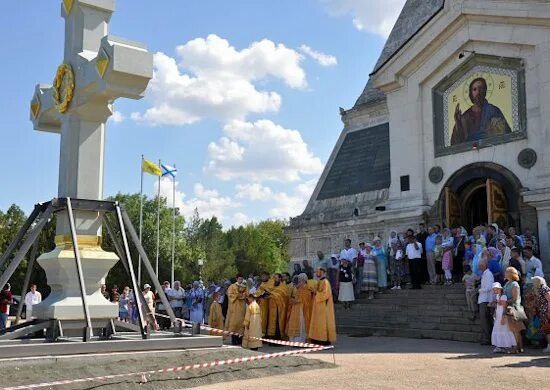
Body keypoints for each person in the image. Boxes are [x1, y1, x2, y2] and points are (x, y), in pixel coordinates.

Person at [451, 77, 511, 145]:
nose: (478, 92)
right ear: (471, 93)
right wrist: (458, 122)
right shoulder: (466, 116)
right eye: (474, 89)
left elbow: (505, 134)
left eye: (481, 88)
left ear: (485, 91)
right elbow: (456, 144)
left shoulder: (493, 110)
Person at [309, 267, 336, 345]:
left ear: (322, 272)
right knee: (317, 323)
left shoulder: (325, 282)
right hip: (317, 306)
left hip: (323, 307)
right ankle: (316, 339)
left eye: (318, 271)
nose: (316, 273)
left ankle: (323, 340)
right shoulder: (319, 281)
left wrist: (316, 292)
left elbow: (325, 294)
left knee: (322, 324)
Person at [503, 267, 527, 353]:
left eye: (506, 272)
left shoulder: (515, 284)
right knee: (515, 329)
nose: (505, 273)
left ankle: (516, 348)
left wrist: (505, 301)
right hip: (509, 308)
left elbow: (515, 298)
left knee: (516, 329)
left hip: (514, 309)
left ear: (510, 274)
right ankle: (520, 348)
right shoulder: (507, 284)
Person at [286, 273, 312, 343]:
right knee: (295, 323)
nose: (299, 281)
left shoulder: (306, 288)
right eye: (299, 280)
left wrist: (296, 301)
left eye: (300, 280)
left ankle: (300, 341)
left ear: (304, 280)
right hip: (296, 309)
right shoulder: (299, 288)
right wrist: (293, 300)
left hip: (302, 310)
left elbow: (306, 300)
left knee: (301, 325)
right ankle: (294, 341)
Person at [491, 282, 517, 353]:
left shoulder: (503, 296)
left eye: (496, 289)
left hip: (502, 316)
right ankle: (499, 346)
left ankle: (508, 347)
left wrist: (503, 317)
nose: (495, 291)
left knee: (505, 330)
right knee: (497, 330)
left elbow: (504, 308)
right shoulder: (497, 296)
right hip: (498, 316)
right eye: (494, 289)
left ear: (500, 289)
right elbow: (497, 307)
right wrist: (495, 314)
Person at [225, 275, 248, 345]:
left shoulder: (245, 287)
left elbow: (247, 295)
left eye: (241, 279)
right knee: (234, 323)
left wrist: (244, 295)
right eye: (239, 279)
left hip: (242, 308)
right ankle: (234, 339)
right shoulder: (232, 286)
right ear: (236, 279)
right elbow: (229, 295)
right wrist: (237, 295)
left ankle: (240, 339)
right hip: (234, 308)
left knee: (241, 323)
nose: (240, 280)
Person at [478, 259, 495, 345]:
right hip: (483, 299)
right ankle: (487, 338)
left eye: (480, 265)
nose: (479, 266)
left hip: (485, 300)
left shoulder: (488, 274)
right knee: (485, 320)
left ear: (484, 265)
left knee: (485, 320)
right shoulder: (485, 274)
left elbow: (489, 287)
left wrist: (480, 290)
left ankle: (487, 339)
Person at [531, 276, 550, 353]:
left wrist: (549, 311)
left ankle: (549, 346)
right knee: (546, 330)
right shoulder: (540, 289)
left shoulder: (544, 289)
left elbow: (549, 300)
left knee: (548, 330)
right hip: (543, 313)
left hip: (546, 313)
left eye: (533, 282)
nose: (532, 283)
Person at [266, 273, 288, 340]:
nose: (275, 280)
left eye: (276, 278)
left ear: (280, 278)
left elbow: (282, 296)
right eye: (274, 278)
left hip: (279, 308)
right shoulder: (273, 286)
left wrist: (271, 295)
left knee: (278, 323)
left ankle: (278, 339)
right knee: (272, 323)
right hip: (272, 307)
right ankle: (272, 338)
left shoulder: (283, 286)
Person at [255, 272, 273, 336]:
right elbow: (257, 293)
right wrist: (257, 296)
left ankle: (267, 335)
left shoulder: (271, 282)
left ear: (268, 276)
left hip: (269, 304)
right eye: (262, 276)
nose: (263, 277)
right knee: (262, 319)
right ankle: (262, 334)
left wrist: (265, 291)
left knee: (268, 319)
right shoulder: (262, 283)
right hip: (262, 304)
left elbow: (271, 291)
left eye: (264, 276)